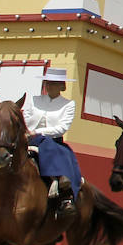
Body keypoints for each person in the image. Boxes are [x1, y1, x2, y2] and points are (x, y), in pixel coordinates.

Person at [24, 67, 82, 214]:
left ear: (62, 86)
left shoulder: (68, 104)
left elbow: (62, 128)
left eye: (54, 83)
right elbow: (25, 119)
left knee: (58, 152)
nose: (49, 86)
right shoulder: (34, 100)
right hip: (28, 140)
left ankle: (66, 196)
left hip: (53, 141)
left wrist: (37, 132)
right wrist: (26, 132)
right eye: (47, 82)